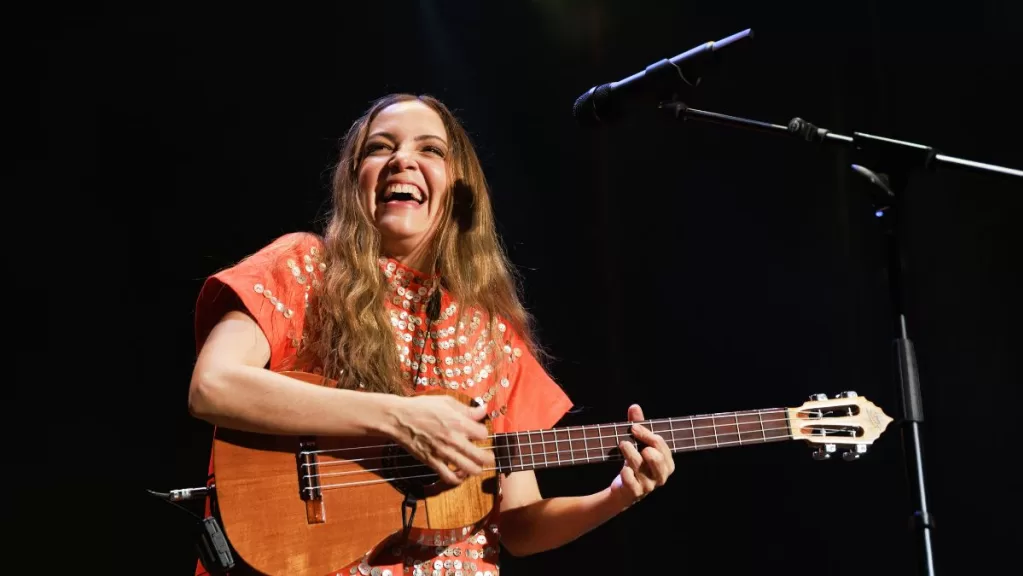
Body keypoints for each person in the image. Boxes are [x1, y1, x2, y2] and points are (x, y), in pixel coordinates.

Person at [188, 93, 676, 575]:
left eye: (430, 149)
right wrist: (399, 418)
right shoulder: (303, 267)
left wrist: (616, 496)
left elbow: (520, 525)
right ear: (354, 178)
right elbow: (213, 385)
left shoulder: (493, 336)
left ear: (459, 190)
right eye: (380, 147)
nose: (402, 159)